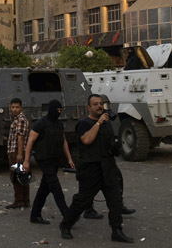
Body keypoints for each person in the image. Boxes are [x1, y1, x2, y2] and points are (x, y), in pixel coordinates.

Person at [59, 94, 133, 243]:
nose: (99, 106)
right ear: (89, 107)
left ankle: (117, 231)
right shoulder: (84, 124)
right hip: (91, 169)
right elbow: (86, 140)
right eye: (95, 104)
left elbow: (109, 143)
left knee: (115, 201)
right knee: (82, 200)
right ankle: (66, 224)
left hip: (108, 167)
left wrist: (116, 147)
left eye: (101, 104)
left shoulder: (106, 124)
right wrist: (98, 123)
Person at [23, 99, 75, 225]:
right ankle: (67, 214)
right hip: (44, 159)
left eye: (60, 110)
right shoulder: (41, 124)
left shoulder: (59, 124)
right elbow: (30, 141)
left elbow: (64, 141)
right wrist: (26, 161)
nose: (59, 112)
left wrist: (69, 158)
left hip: (54, 160)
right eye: (57, 110)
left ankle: (35, 215)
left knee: (44, 188)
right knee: (55, 187)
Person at [6, 98, 30, 209]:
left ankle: (19, 201)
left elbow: (20, 138)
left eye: (17, 107)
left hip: (16, 151)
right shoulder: (17, 119)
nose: (14, 109)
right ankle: (25, 200)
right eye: (13, 107)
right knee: (23, 176)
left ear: (21, 108)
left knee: (16, 177)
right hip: (15, 151)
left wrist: (19, 154)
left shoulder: (20, 119)